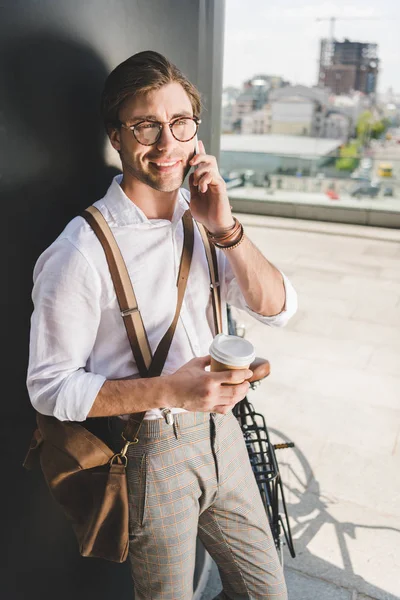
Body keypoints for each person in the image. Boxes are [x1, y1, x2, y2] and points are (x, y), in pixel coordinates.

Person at [27, 50, 297, 600]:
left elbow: (278, 308)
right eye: (146, 125)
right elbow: (50, 387)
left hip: (226, 435)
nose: (167, 142)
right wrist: (173, 389)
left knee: (266, 592)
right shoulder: (80, 250)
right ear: (116, 136)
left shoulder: (203, 219)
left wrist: (226, 228)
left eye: (180, 123)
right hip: (152, 449)